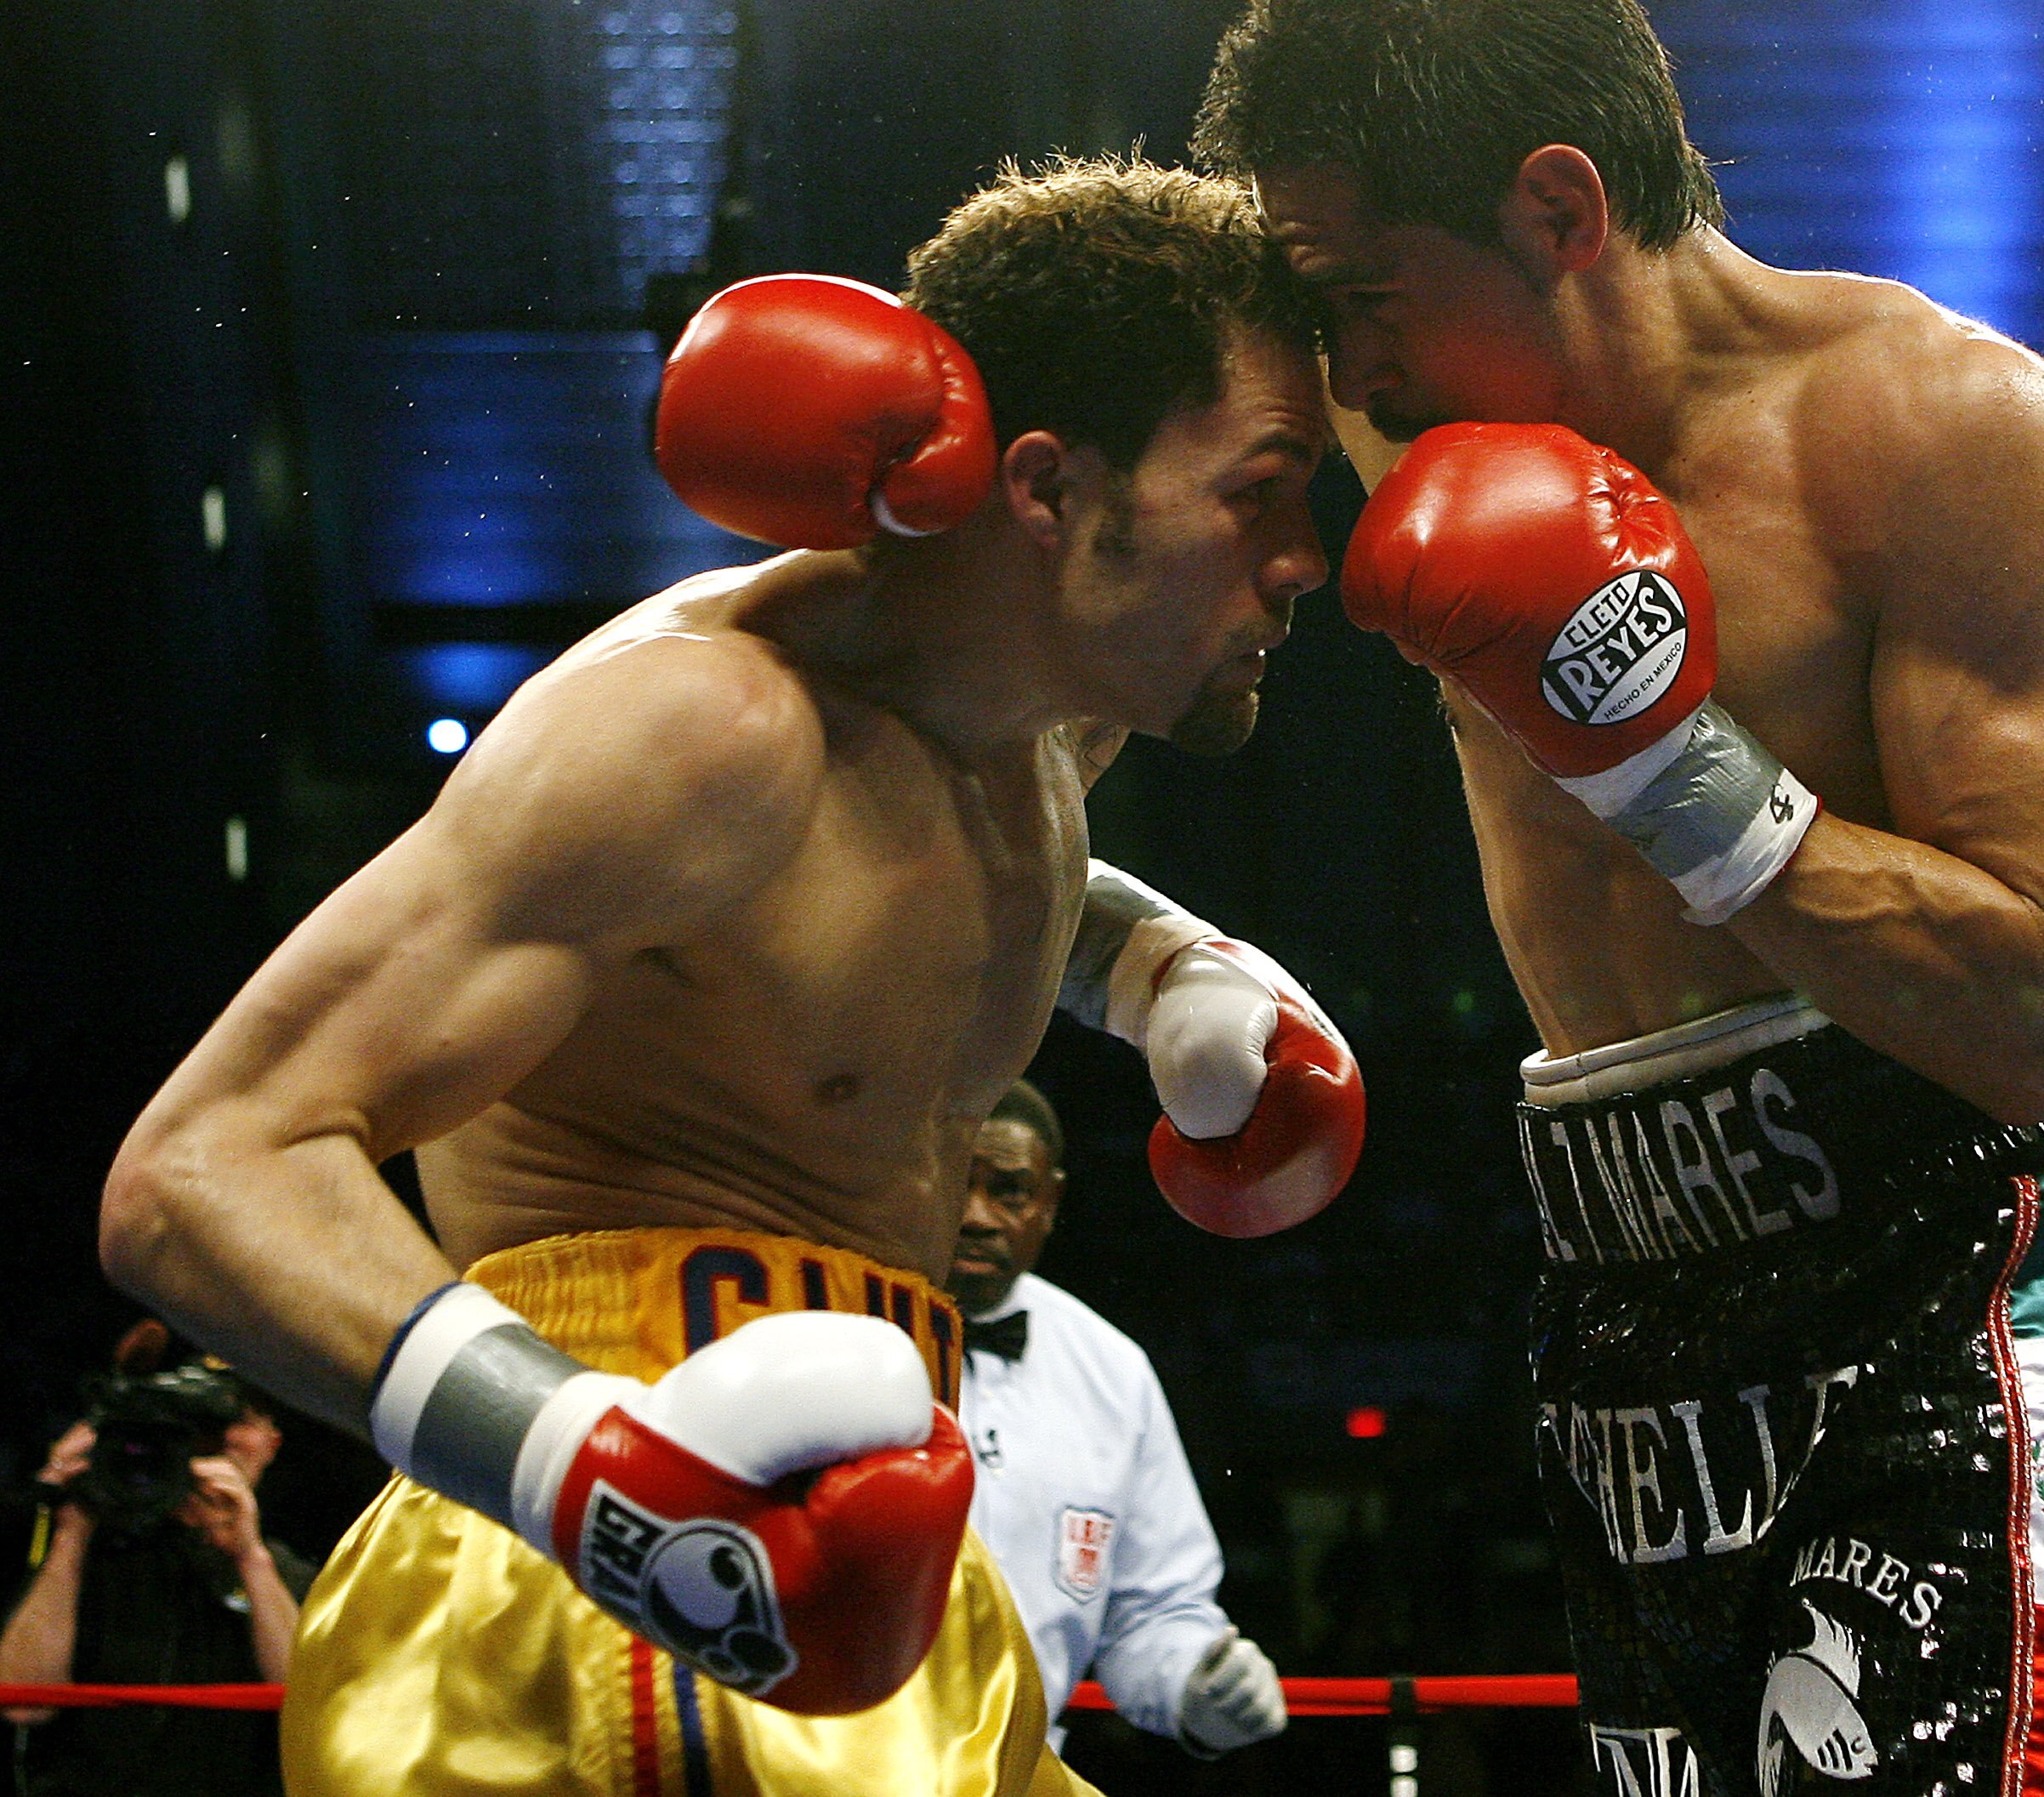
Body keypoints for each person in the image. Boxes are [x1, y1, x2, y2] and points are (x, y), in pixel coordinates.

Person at [96, 156, 1365, 1797]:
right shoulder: (702, 733)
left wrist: (1155, 965)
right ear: (1049, 493)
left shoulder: (1050, 732)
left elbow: (881, 890)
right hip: (608, 1552)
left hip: (897, 1551)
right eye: (1260, 488)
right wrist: (595, 1476)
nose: (1307, 559)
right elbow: (197, 1174)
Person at [1195, 0, 2044, 1797]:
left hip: (1944, 1274)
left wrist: (1660, 759)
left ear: (1559, 212)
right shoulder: (1397, 397)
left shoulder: (1930, 429)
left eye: (1361, 306)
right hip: (1624, 1296)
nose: (1345, 382)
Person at [947, 1081, 1286, 1765]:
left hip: (1024, 1770)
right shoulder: (832, 1323)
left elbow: (1152, 1611)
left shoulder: (1112, 1372)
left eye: (1009, 1190)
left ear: (1050, 1203)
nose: (977, 1216)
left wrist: (1199, 1682)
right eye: (958, 1182)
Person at [1, 1324, 316, 1797]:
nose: (224, 1440)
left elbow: (311, 1710)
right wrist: (73, 1528)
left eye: (242, 1420)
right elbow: (23, 1702)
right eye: (205, 1428)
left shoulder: (285, 1573)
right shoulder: (78, 1560)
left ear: (272, 1445)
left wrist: (250, 1558)